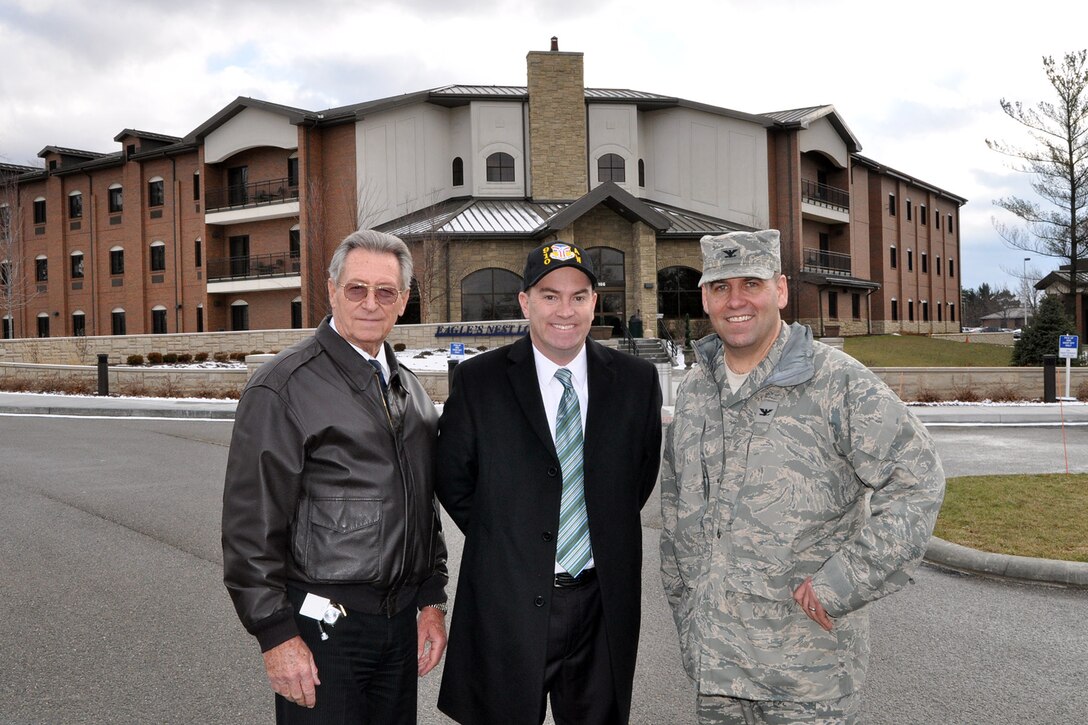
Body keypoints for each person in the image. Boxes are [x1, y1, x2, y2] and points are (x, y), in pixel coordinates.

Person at [660, 229, 945, 724]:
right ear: (705, 297)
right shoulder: (696, 389)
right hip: (715, 669)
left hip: (804, 676)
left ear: (781, 290)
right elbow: (675, 505)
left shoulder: (836, 381)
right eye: (721, 287)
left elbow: (917, 480)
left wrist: (842, 583)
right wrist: (685, 603)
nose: (736, 300)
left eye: (752, 282)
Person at [222, 229, 448, 724]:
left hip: (396, 628)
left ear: (404, 300)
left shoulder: (410, 391)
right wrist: (276, 635)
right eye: (357, 289)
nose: (371, 303)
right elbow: (250, 526)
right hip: (323, 629)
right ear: (331, 291)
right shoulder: (282, 388)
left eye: (386, 291)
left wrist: (431, 599)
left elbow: (421, 501)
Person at [435, 240, 663, 725]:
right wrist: (513, 540)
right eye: (550, 295)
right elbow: (454, 479)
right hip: (507, 602)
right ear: (525, 302)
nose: (566, 310)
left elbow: (636, 481)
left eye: (579, 296)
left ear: (594, 303)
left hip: (600, 604)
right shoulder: (480, 382)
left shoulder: (635, 382)